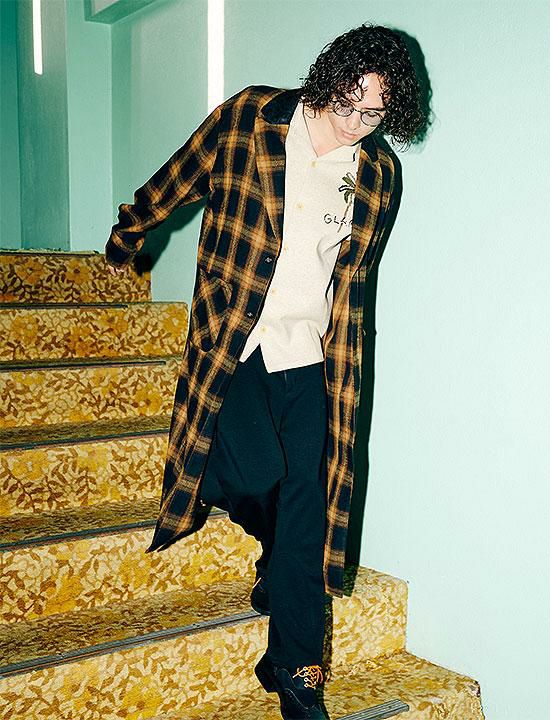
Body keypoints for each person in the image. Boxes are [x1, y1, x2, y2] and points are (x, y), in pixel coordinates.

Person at [106, 22, 424, 720]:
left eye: (375, 115)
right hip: (236, 341)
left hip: (312, 356)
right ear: (328, 81)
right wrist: (131, 229)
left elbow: (353, 281)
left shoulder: (378, 175)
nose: (357, 126)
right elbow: (180, 174)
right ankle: (278, 559)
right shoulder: (253, 117)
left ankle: (295, 672)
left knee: (308, 499)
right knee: (252, 477)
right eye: (350, 105)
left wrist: (349, 362)